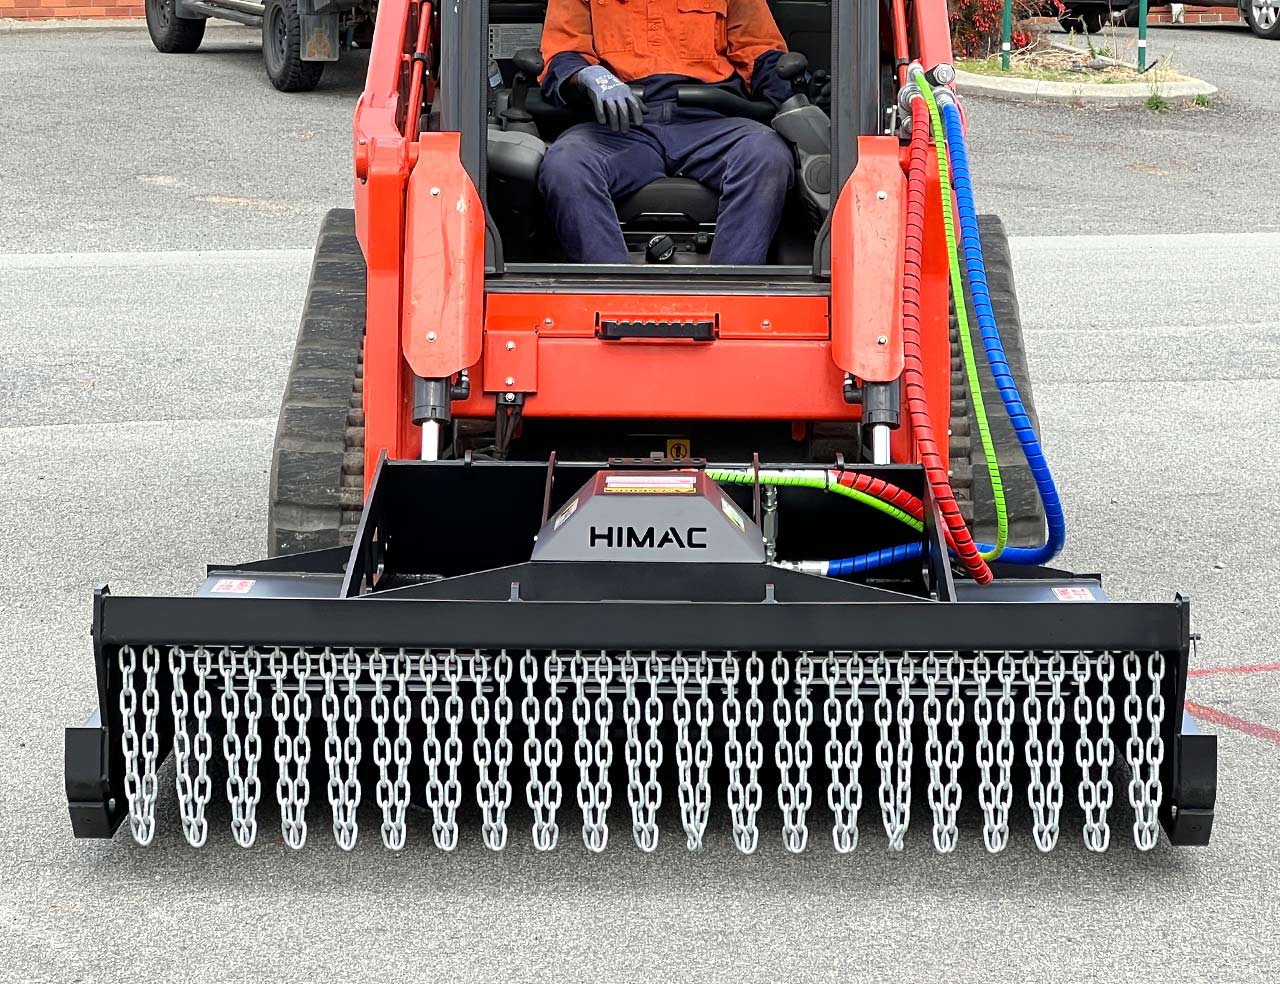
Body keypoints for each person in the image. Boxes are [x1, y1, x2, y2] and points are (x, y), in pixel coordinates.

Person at [538, 0, 796, 264]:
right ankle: (613, 294)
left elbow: (760, 50)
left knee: (767, 153)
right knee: (565, 163)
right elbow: (562, 52)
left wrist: (792, 98)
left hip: (711, 119)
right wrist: (588, 75)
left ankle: (728, 294)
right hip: (621, 124)